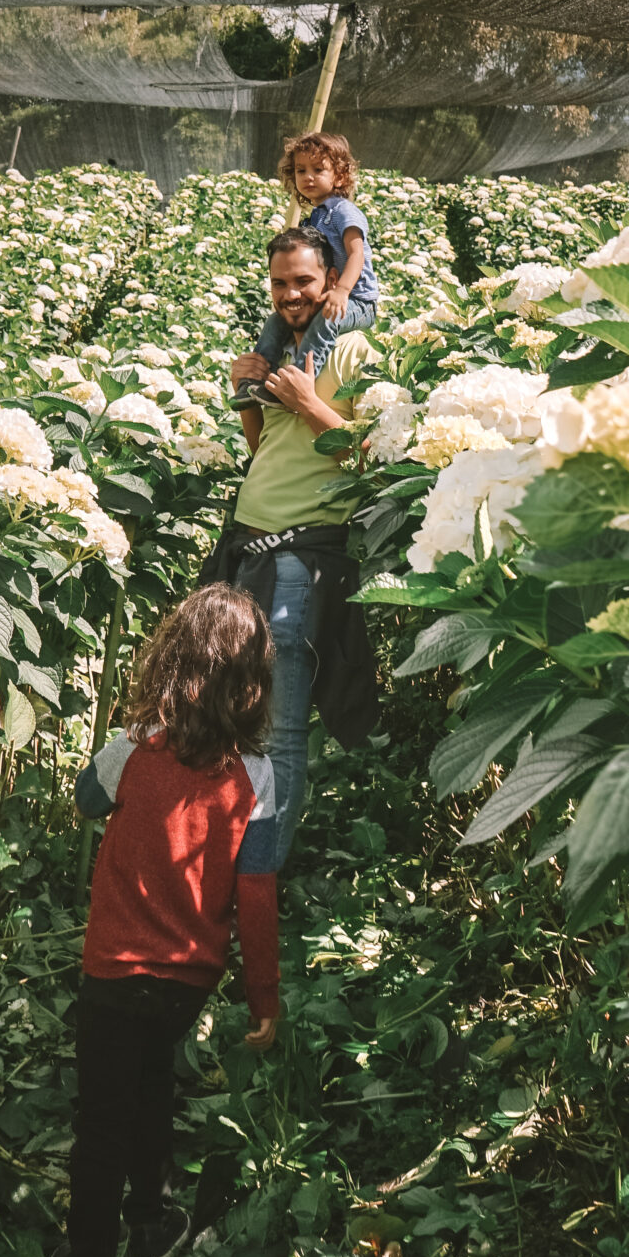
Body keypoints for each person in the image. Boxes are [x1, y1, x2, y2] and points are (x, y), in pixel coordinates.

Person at [54, 584, 280, 1257]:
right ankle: (149, 1227)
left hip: (111, 969)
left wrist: (124, 740)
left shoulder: (134, 749)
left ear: (172, 661)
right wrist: (263, 999)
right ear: (252, 683)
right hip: (187, 976)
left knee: (101, 1121)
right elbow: (255, 899)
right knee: (152, 1086)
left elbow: (85, 801)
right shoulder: (258, 777)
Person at [206, 227, 380, 870]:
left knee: (280, 736)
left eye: (303, 280)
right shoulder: (280, 348)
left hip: (302, 557)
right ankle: (227, 864)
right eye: (279, 283)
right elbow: (266, 455)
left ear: (331, 277)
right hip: (245, 548)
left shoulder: (357, 351)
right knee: (235, 719)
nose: (290, 294)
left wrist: (310, 403)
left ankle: (257, 887)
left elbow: (371, 458)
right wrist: (246, 395)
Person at [235, 131, 378, 407]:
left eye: (318, 169)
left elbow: (356, 253)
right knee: (276, 320)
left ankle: (297, 379)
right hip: (335, 294)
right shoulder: (316, 216)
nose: (308, 177)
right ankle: (253, 381)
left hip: (359, 300)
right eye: (301, 170)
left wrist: (343, 291)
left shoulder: (343, 211)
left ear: (339, 176)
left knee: (328, 318)